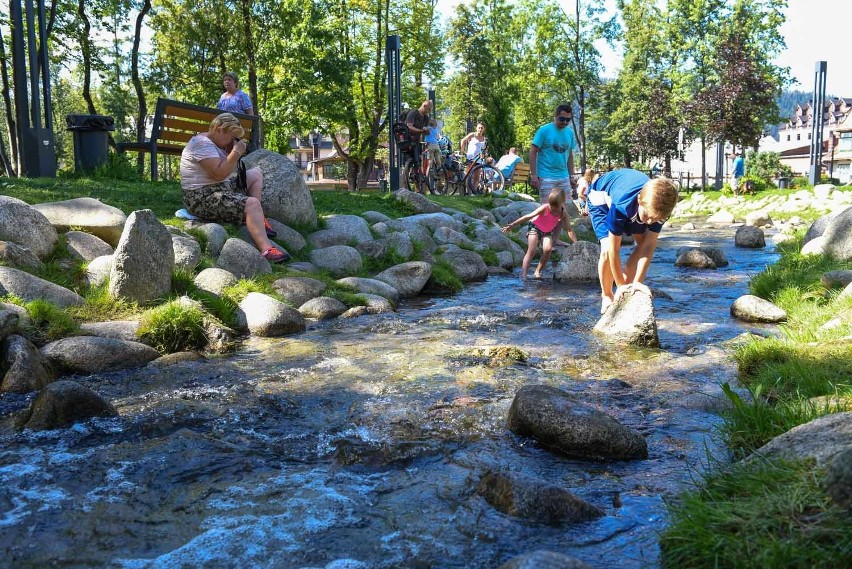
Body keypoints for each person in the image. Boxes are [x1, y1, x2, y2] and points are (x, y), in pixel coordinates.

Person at [180, 113, 288, 263]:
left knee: (255, 174)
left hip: (219, 188)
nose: (232, 142)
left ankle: (257, 218)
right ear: (219, 130)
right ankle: (267, 250)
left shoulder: (216, 142)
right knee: (252, 203)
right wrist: (236, 152)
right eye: (231, 137)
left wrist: (231, 149)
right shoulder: (201, 144)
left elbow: (224, 174)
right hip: (201, 198)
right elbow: (219, 173)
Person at [586, 168, 678, 314]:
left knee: (642, 244)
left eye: (654, 219)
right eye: (648, 217)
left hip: (632, 200)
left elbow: (648, 246)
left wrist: (638, 281)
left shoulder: (660, 209)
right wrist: (620, 284)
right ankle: (607, 295)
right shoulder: (621, 207)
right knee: (605, 250)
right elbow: (613, 250)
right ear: (639, 201)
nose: (649, 222)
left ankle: (631, 284)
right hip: (600, 200)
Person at [501, 188, 578, 280]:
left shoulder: (563, 213)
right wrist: (512, 225)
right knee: (532, 250)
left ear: (562, 203)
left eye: (555, 206)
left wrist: (576, 243)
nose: (552, 207)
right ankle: (524, 275)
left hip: (547, 231)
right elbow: (528, 216)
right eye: (551, 204)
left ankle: (537, 271)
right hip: (535, 227)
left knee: (548, 249)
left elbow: (569, 230)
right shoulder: (545, 208)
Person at [529, 104, 579, 205]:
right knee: (547, 209)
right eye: (562, 119)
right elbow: (532, 151)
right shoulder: (544, 130)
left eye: (568, 120)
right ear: (555, 116)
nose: (565, 122)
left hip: (564, 177)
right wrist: (534, 175)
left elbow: (570, 155)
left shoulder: (569, 133)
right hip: (546, 176)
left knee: (565, 208)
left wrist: (571, 176)